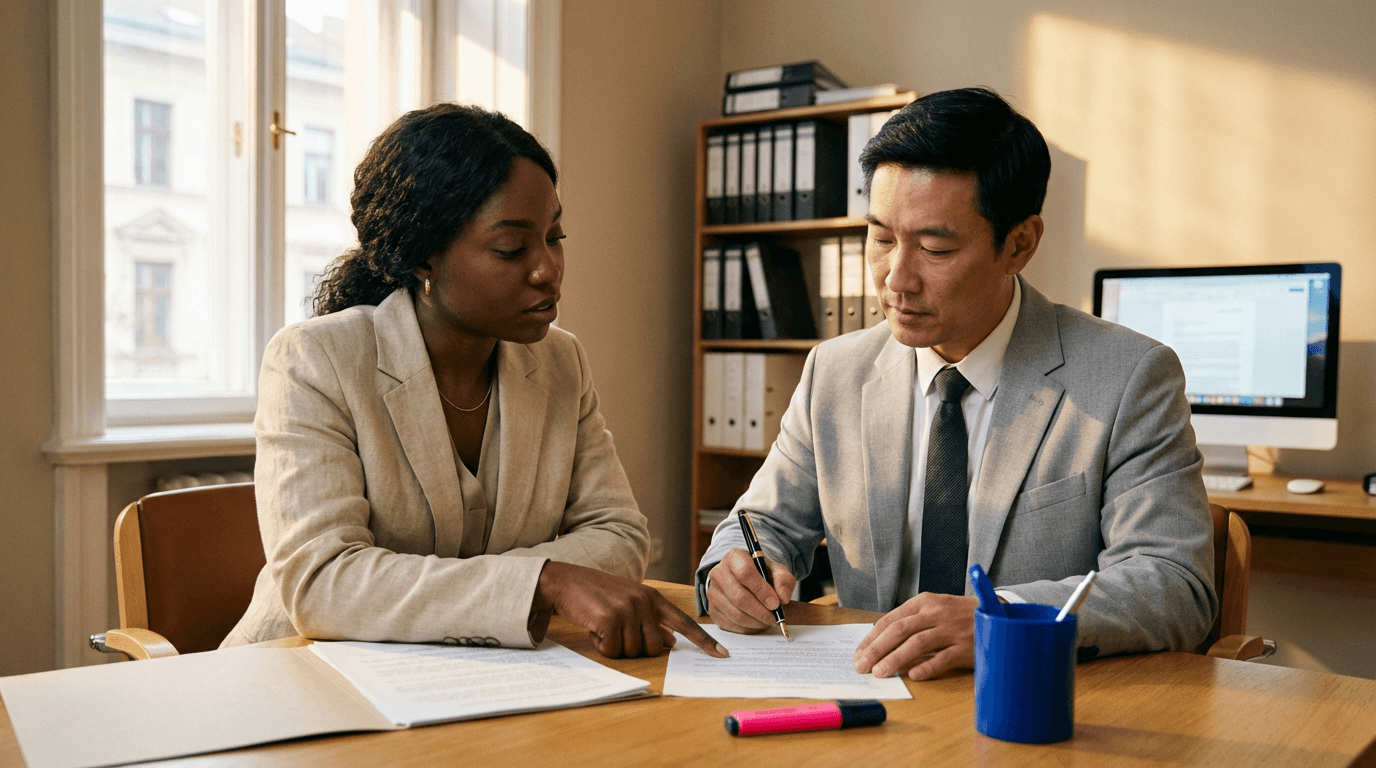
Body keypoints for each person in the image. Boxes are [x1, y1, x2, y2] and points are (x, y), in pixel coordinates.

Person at [697, 87, 1216, 680]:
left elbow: (1175, 585)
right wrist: (732, 571)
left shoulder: (1127, 377)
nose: (896, 279)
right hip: (873, 700)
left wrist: (1002, 619)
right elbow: (758, 526)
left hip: (1033, 706)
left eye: (935, 248)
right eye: (882, 238)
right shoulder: (833, 373)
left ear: (1019, 244)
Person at [223, 103, 726, 660]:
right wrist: (541, 582)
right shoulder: (316, 360)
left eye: (555, 238)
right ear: (424, 259)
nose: (546, 269)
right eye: (511, 248)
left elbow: (619, 535)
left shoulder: (562, 362)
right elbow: (323, 585)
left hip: (479, 684)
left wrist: (460, 592)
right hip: (302, 677)